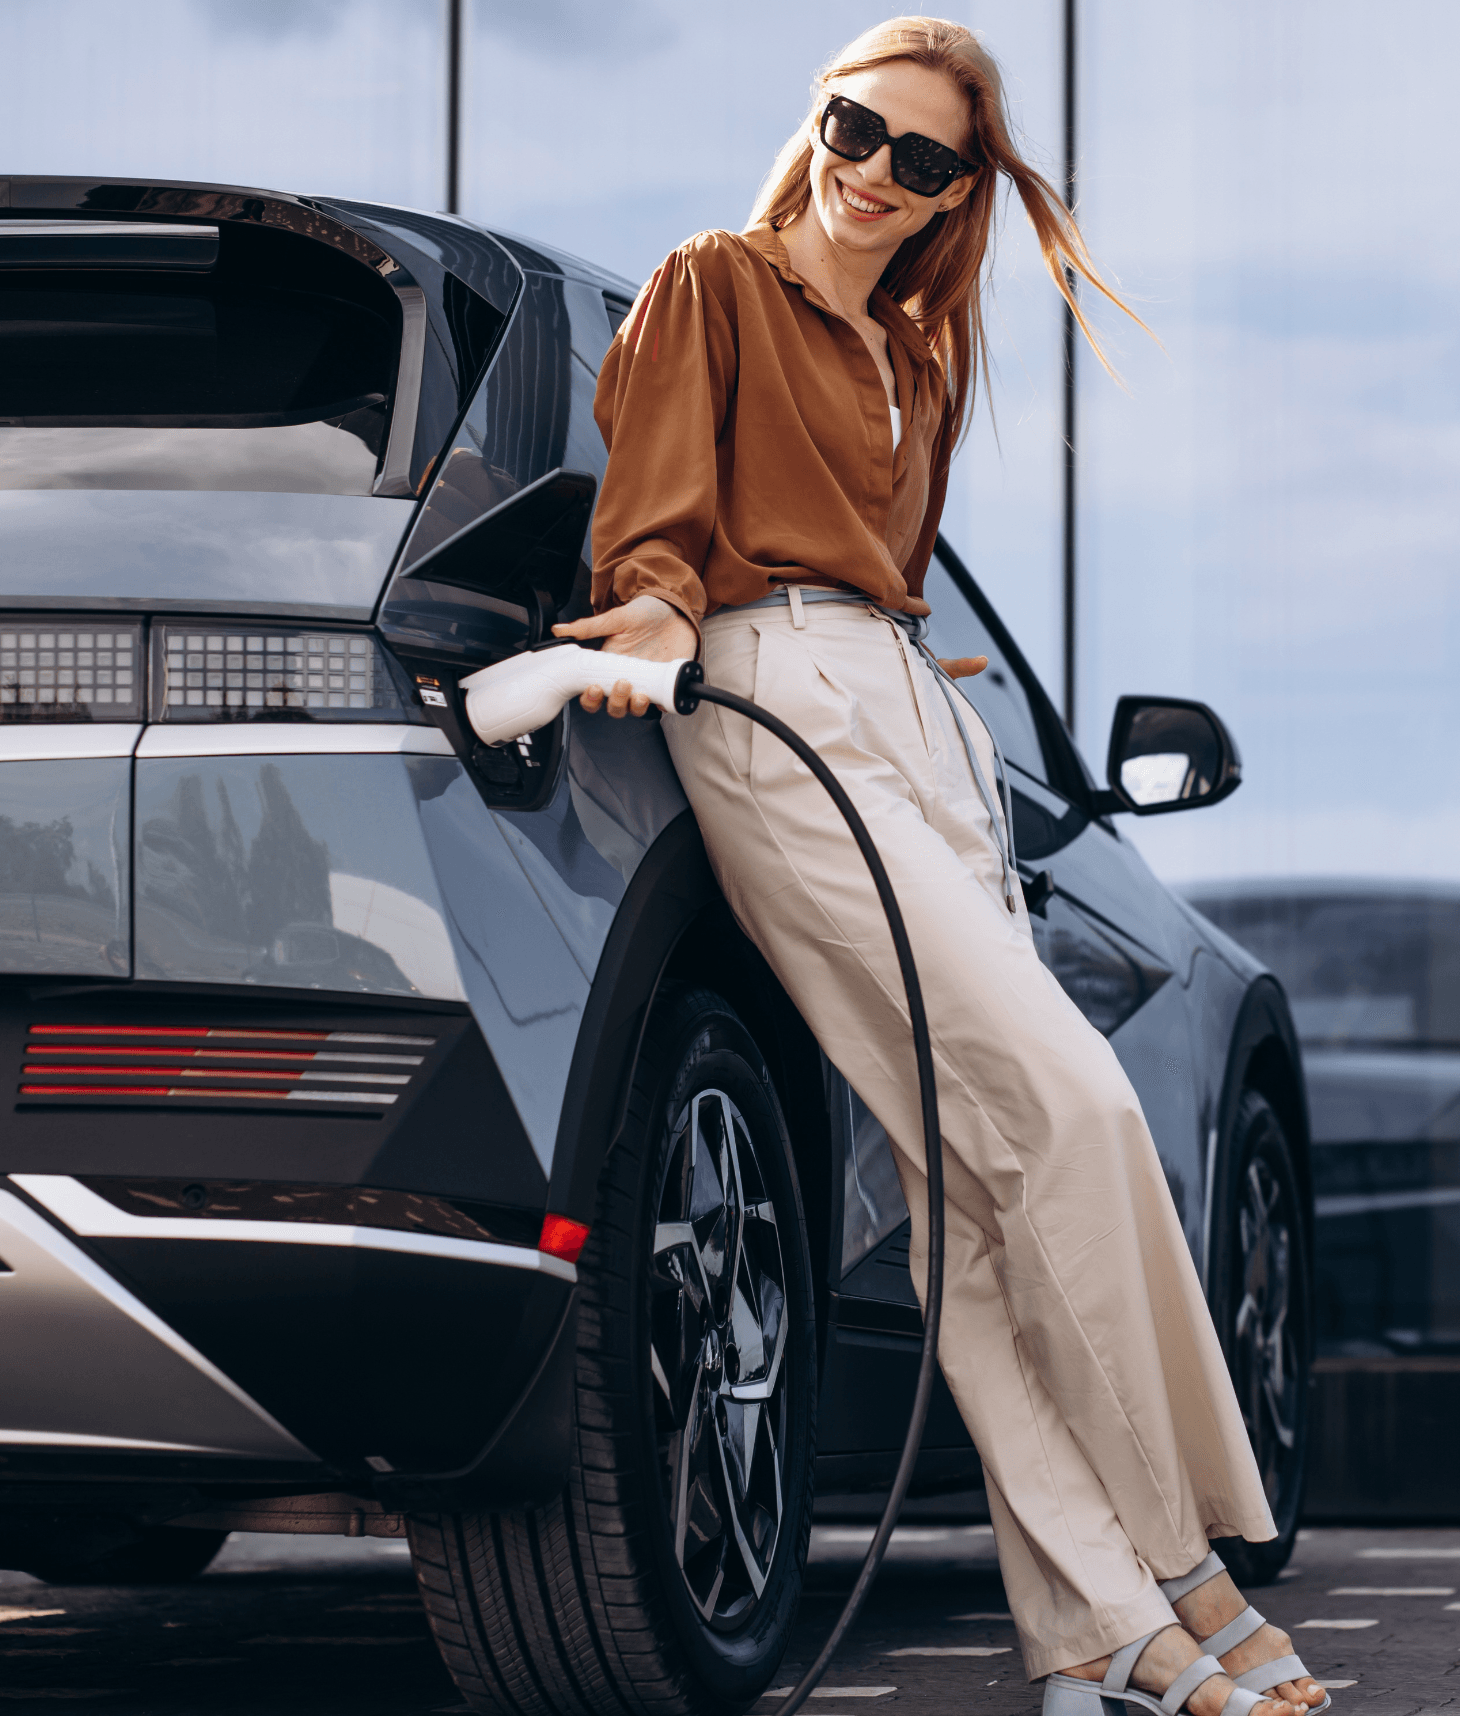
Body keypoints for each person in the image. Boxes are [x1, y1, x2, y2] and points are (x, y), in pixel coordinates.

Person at [554, 18, 1327, 1716]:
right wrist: (661, 607)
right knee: (1076, 1108)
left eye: (918, 157)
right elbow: (658, 525)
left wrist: (930, 710)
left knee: (972, 1205)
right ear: (813, 119)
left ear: (954, 194)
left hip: (916, 724)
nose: (870, 171)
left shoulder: (916, 357)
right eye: (854, 127)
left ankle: (1089, 1645)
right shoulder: (712, 283)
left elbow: (890, 580)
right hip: (773, 706)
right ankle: (1176, 1556)